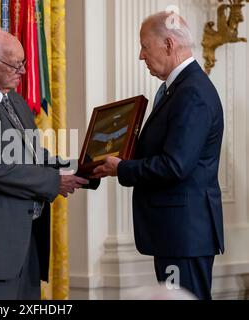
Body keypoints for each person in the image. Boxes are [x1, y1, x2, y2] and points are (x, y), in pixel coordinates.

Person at [0, 28, 92, 300]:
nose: (23, 71)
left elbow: (35, 156)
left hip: (23, 244)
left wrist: (85, 167)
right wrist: (54, 182)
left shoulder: (16, 101)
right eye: (16, 64)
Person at [91, 12, 224, 300]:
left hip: (183, 235)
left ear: (168, 43)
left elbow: (174, 166)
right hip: (176, 233)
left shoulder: (192, 93)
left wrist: (122, 168)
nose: (141, 55)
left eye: (144, 46)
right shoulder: (178, 89)